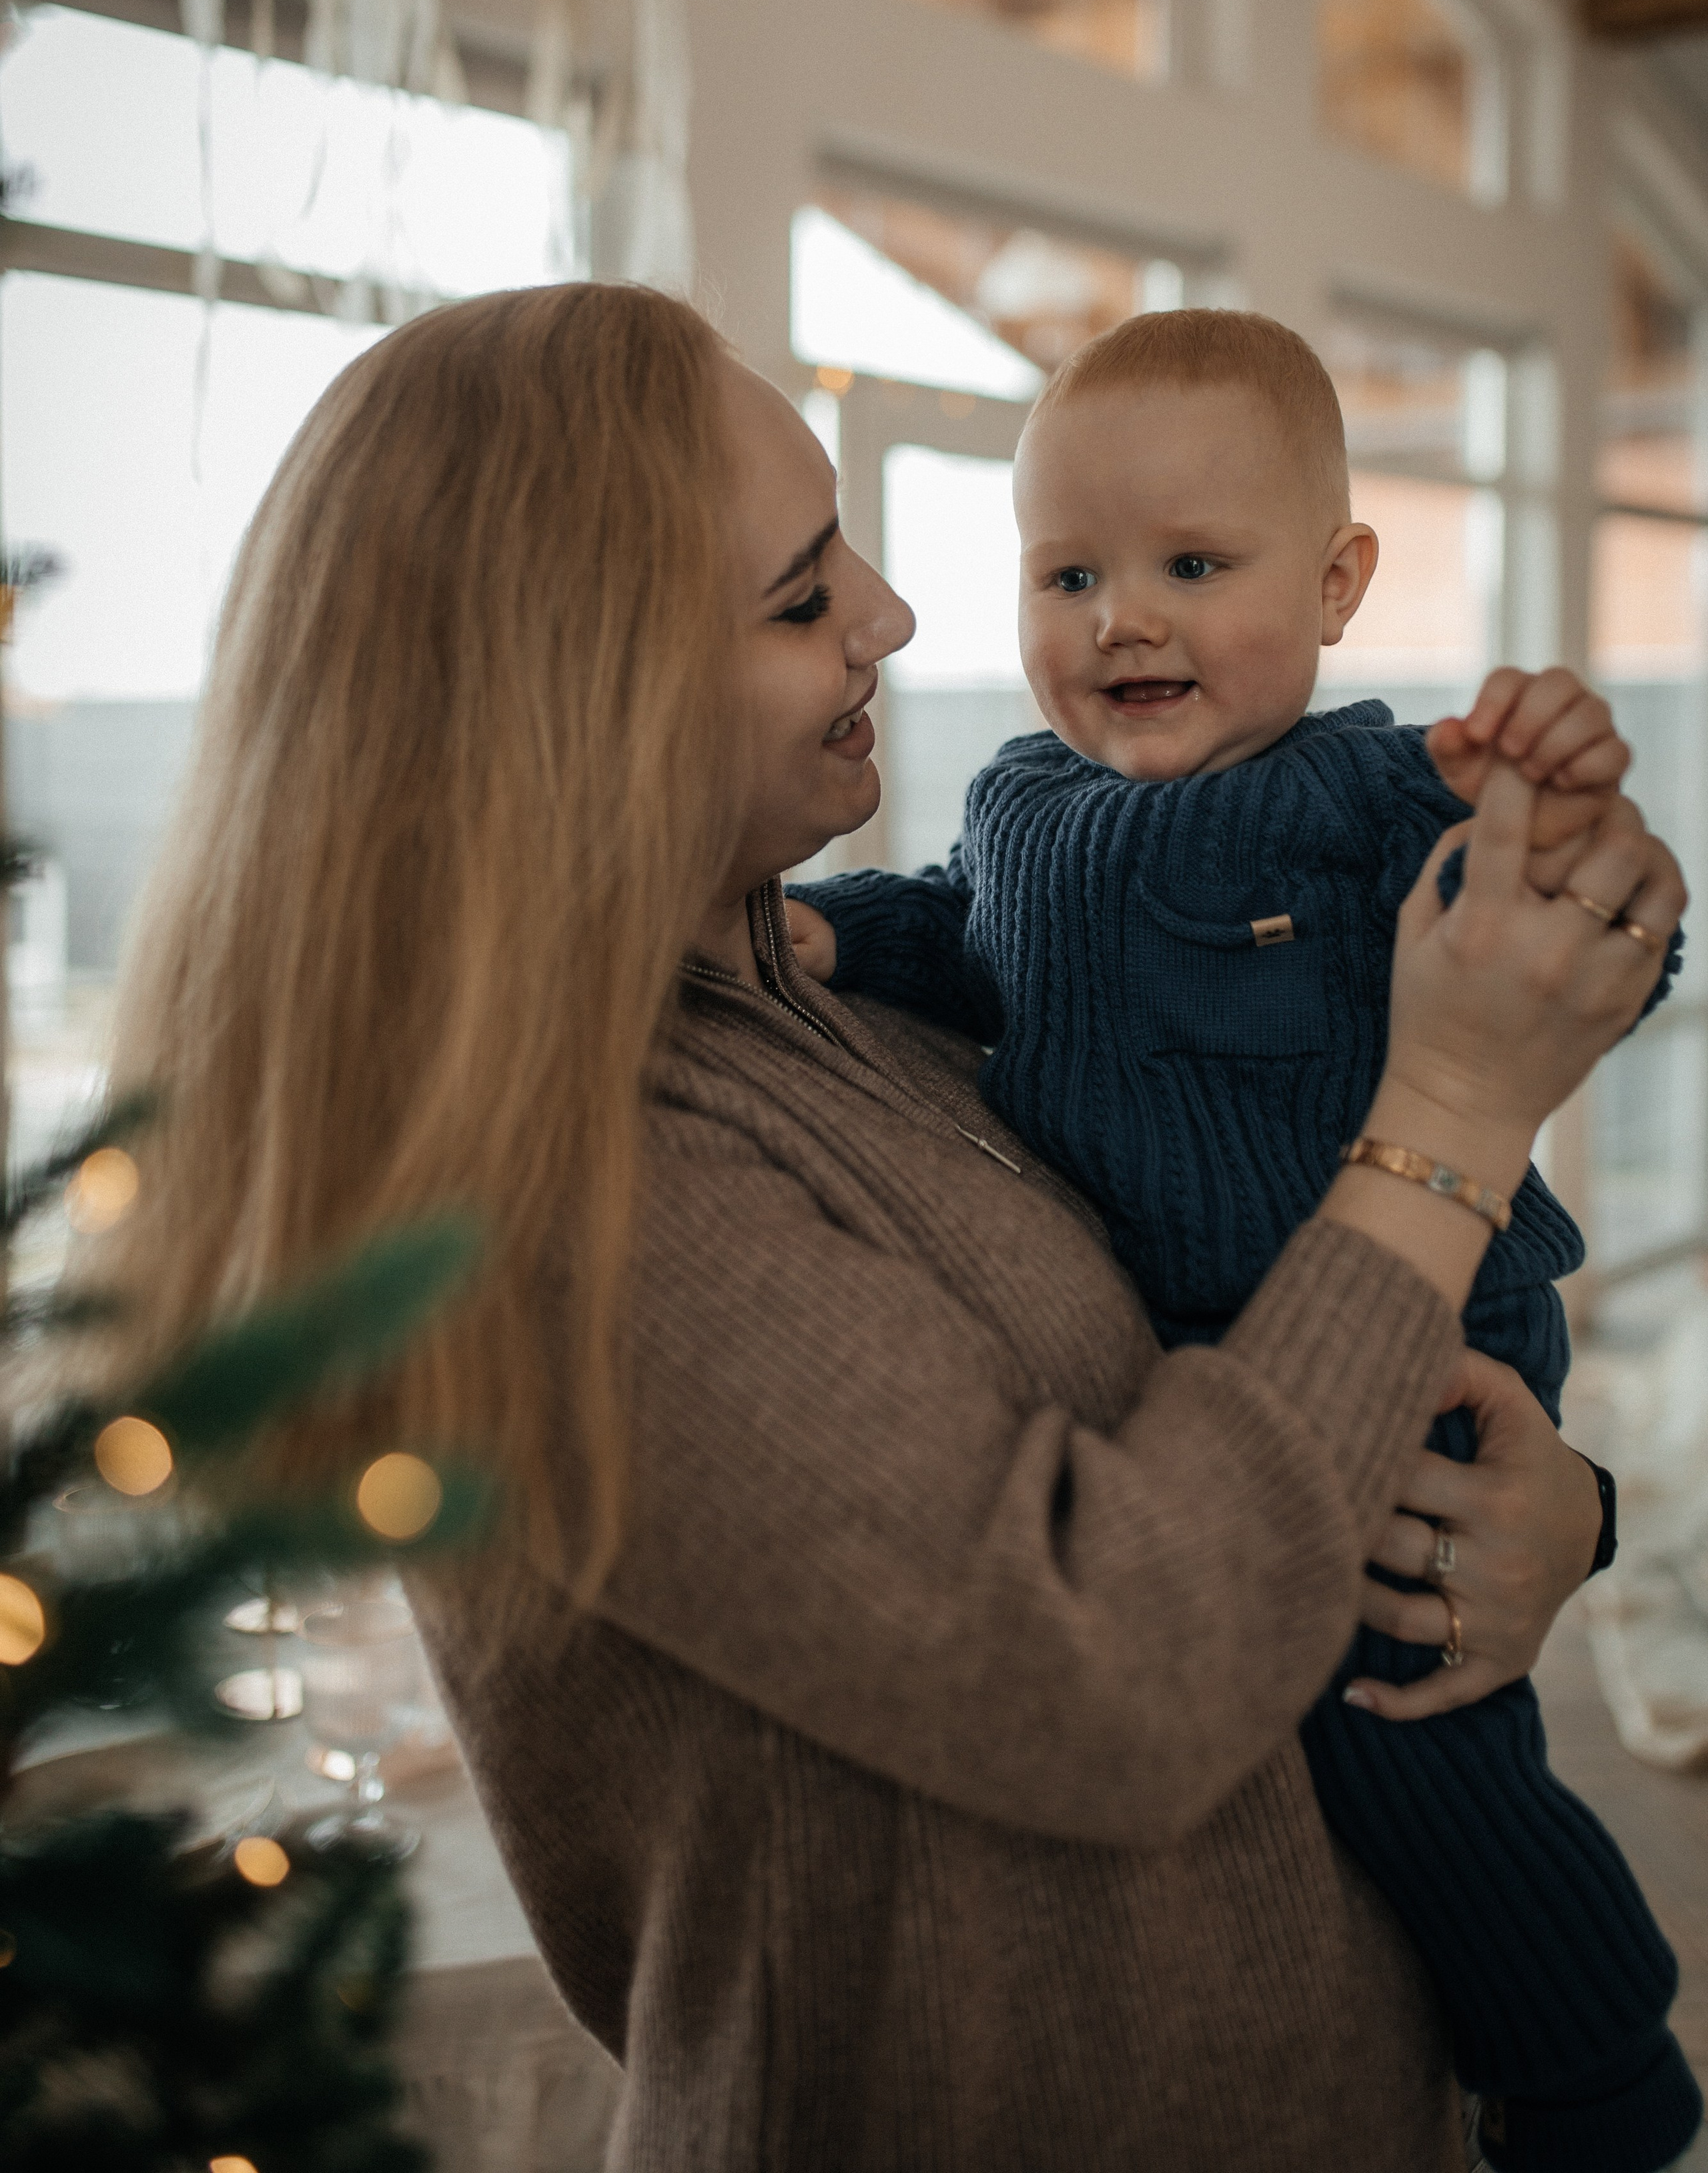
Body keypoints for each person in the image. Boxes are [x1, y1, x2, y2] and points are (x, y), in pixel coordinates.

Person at [91, 286, 1689, 2172]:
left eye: (845, 541)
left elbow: (1235, 1376)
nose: (898, 616)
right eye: (796, 597)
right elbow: (1119, 1666)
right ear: (578, 693)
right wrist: (1452, 1123)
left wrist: (1548, 1514)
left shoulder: (831, 1003)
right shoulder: (562, 1195)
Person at [785, 310, 1698, 2172]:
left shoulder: (1382, 798)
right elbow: (972, 938)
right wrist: (829, 941)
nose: (1126, 618)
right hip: (1217, 1356)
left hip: (1428, 1325)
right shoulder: (1023, 808)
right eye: (1073, 571)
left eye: (1196, 568)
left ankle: (1599, 2069)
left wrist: (1577, 811)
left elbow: (1601, 943)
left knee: (1398, 1728)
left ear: (1342, 583)